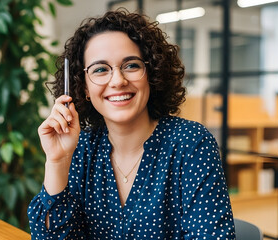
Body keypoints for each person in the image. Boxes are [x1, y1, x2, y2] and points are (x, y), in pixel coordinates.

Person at [27, 9, 235, 239]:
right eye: (100, 69)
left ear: (151, 74)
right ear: (84, 87)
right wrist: (58, 161)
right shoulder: (80, 148)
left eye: (131, 65)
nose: (118, 81)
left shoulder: (191, 143)